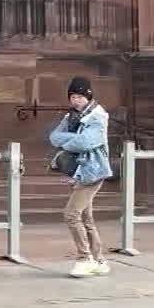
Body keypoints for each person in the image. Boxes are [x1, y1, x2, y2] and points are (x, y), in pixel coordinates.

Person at [48, 77, 113, 278]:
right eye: (73, 96)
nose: (76, 100)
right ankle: (99, 261)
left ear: (88, 96)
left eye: (79, 96)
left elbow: (86, 142)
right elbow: (53, 137)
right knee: (86, 218)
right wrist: (73, 140)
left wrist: (69, 141)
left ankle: (85, 258)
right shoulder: (71, 116)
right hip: (78, 171)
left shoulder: (97, 116)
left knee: (71, 214)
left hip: (92, 172)